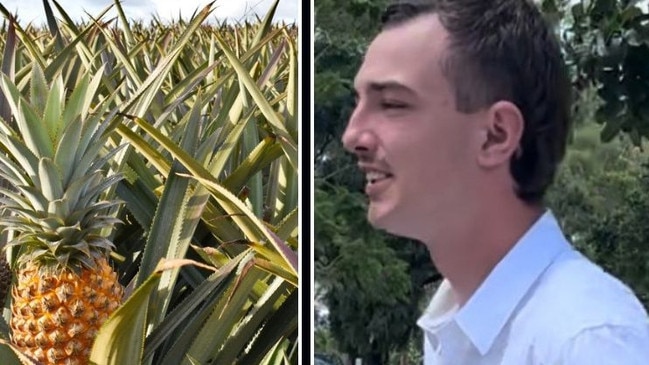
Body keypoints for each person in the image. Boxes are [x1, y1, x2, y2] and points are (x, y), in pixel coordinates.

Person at [340, 0, 649, 363]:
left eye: (392, 104)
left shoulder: (589, 341)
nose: (352, 135)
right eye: (358, 102)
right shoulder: (453, 332)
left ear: (495, 136)